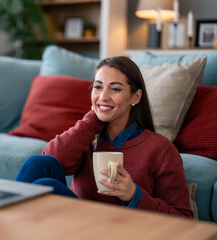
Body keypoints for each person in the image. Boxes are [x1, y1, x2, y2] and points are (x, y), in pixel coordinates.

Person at [16, 56, 193, 218]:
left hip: (122, 230)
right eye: (98, 87)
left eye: (115, 89)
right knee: (37, 163)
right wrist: (93, 120)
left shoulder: (160, 149)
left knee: (49, 186)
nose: (103, 96)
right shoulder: (87, 137)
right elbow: (52, 158)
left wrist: (133, 195)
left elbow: (183, 218)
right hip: (78, 225)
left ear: (136, 97)